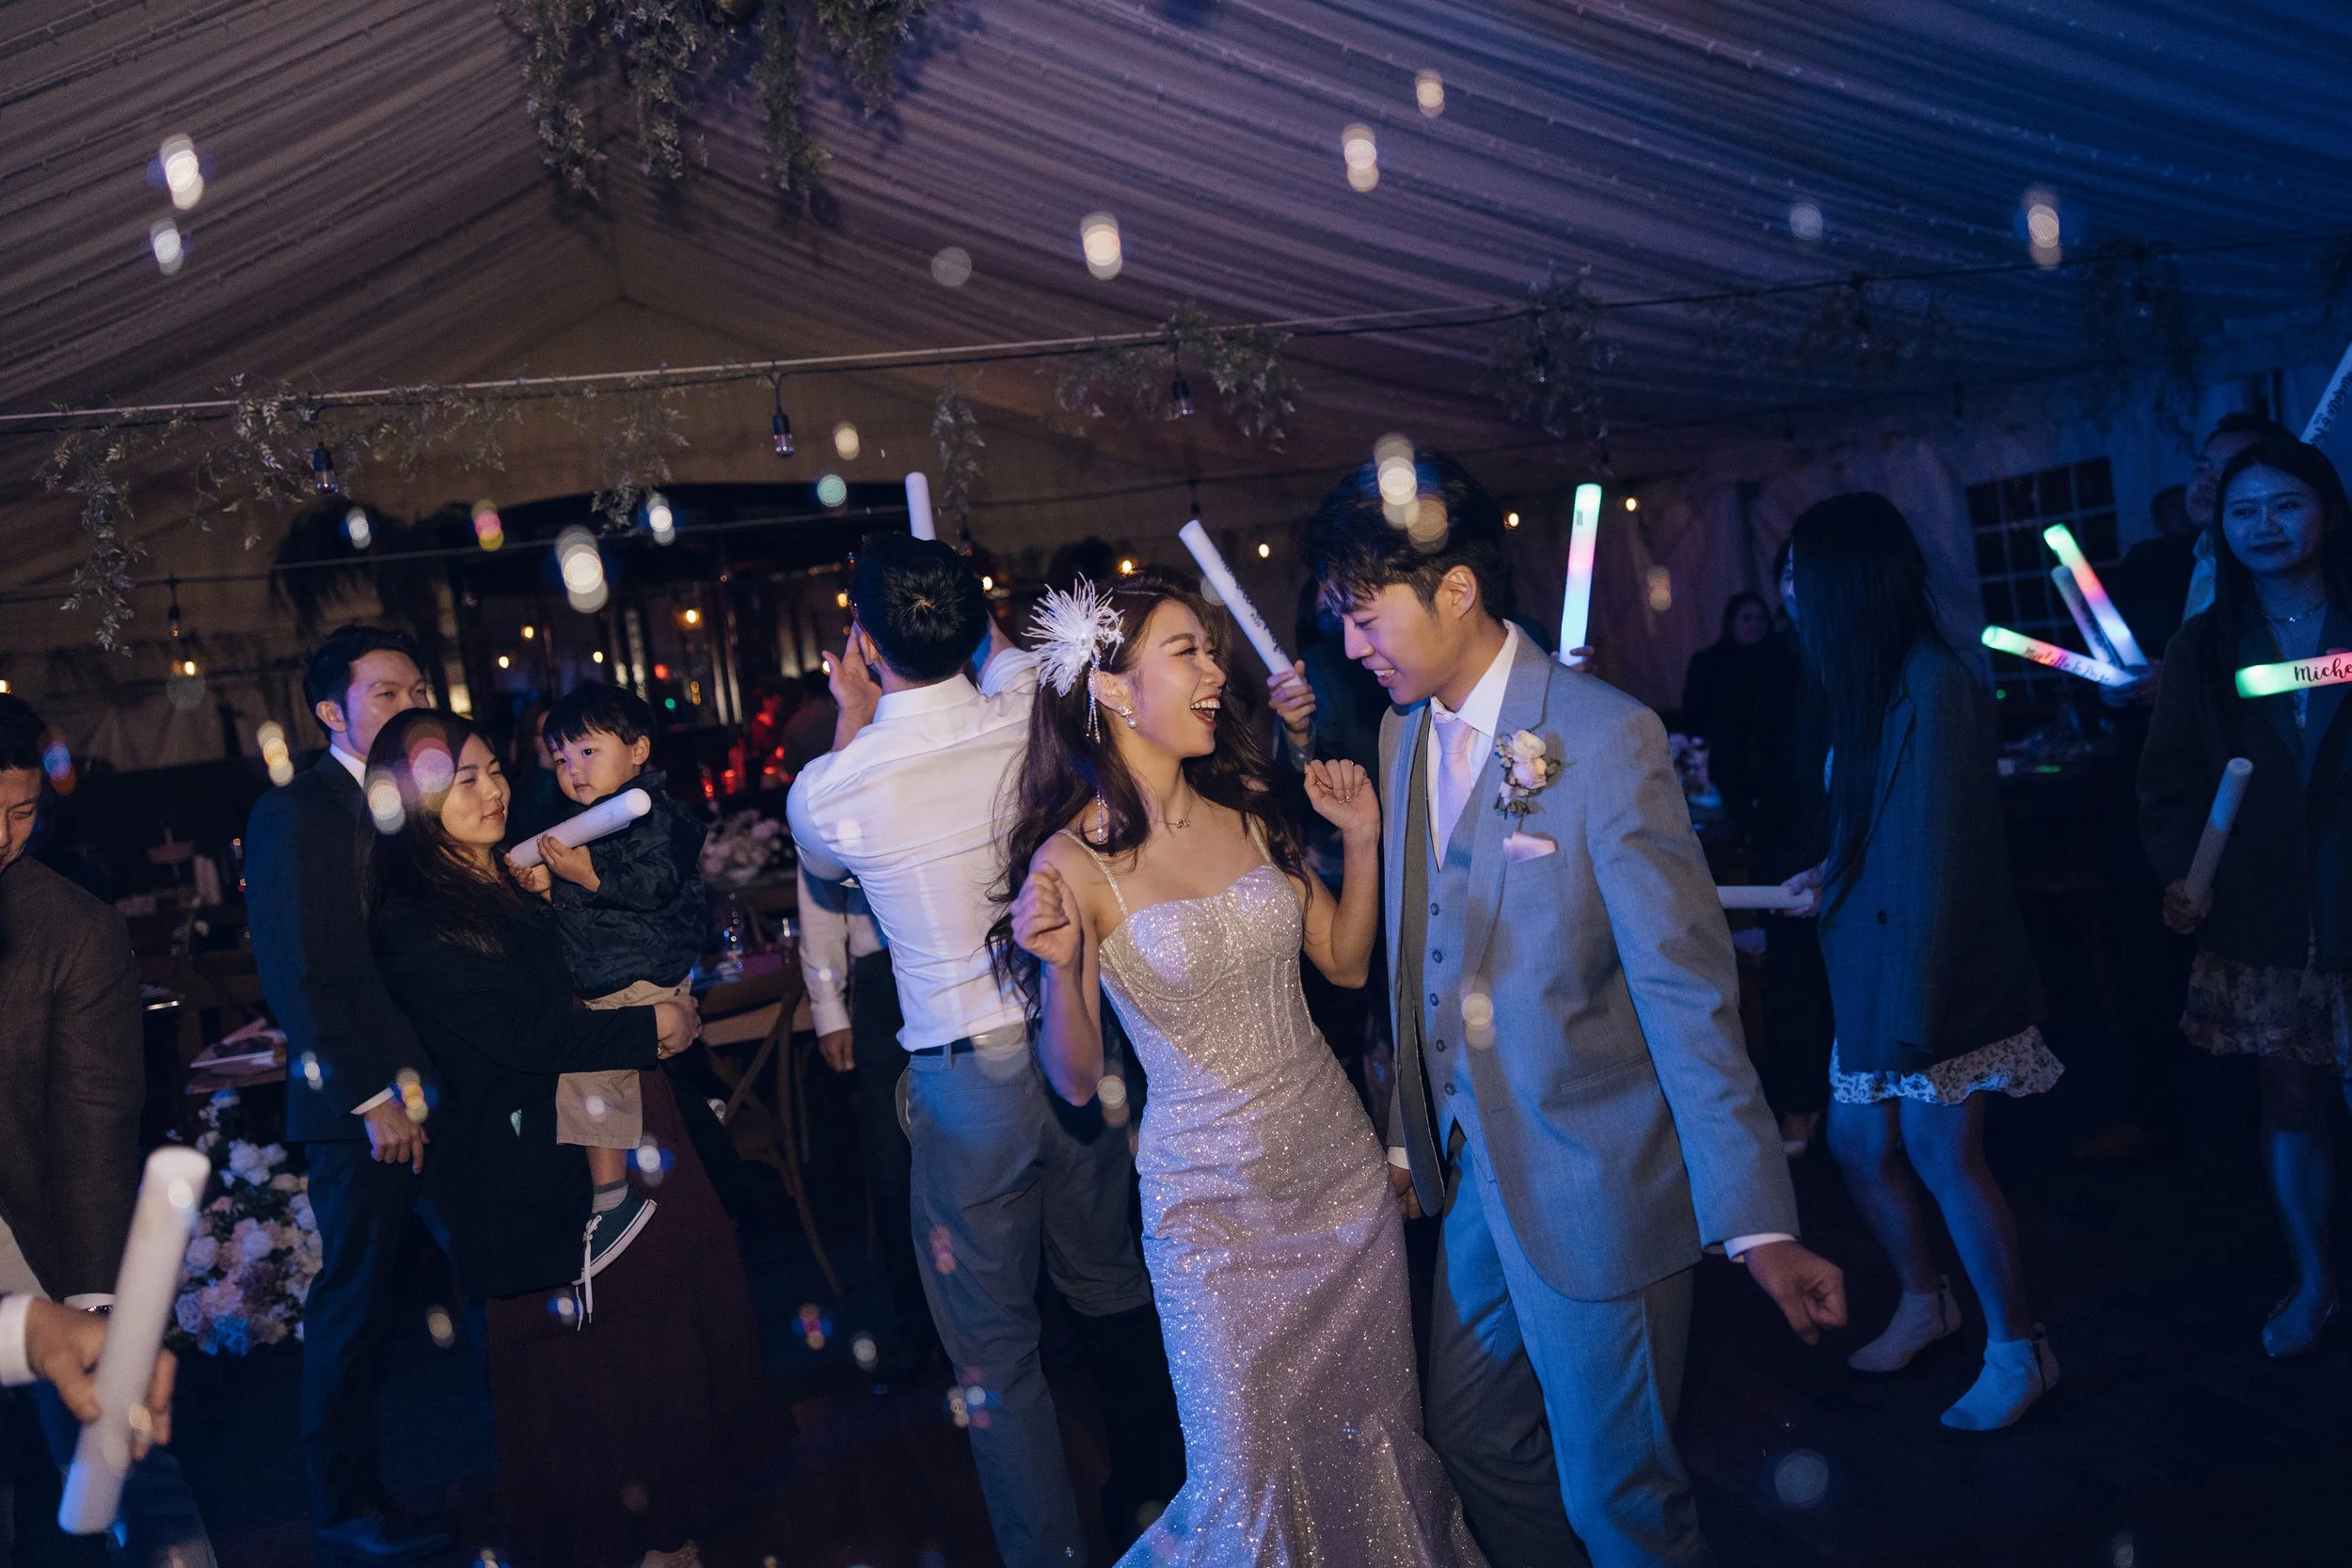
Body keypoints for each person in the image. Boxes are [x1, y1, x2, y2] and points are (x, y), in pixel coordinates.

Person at [1306, 449, 1843, 1568]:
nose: (1352, 649)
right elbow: (1417, 961)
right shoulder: (1405, 733)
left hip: (1599, 1180)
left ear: (1454, 589)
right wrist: (1410, 1124)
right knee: (1470, 1437)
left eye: (1365, 619)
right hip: (1470, 1182)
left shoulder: (1604, 737)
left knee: (1621, 1497)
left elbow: (1687, 992)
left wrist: (1760, 1221)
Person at [1001, 573, 1484, 1566]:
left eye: (1213, 651)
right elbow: (1079, 1080)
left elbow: (1344, 962)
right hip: (1211, 1214)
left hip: (1339, 1182)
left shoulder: (1248, 808)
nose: (1218, 671)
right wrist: (1060, 975)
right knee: (1251, 1473)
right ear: (1113, 688)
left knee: (1372, 1446)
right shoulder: (1070, 864)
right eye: (1189, 650)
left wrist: (1359, 838)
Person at [787, 533, 1183, 1564]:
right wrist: (981, 629)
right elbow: (1010, 659)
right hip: (1079, 1045)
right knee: (1114, 1287)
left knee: (996, 1359)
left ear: (864, 643)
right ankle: (1157, 1507)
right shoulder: (1031, 718)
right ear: (973, 627)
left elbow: (826, 863)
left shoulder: (831, 789)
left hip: (964, 1089)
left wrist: (855, 713)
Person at [366, 709, 773, 1568]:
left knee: (674, 1332)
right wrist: (647, 1027)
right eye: (463, 779)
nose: (493, 788)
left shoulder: (510, 875)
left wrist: (660, 1000)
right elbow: (527, 1038)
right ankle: (647, 1536)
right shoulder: (415, 919)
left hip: (622, 1112)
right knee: (606, 1372)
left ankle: (678, 1529)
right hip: (540, 1162)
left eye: (492, 769)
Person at [1776, 493, 2063, 1431]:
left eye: (1797, 576)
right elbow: (1883, 836)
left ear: (1846, 582)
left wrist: (1913, 1022)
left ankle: (2018, 1349)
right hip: (1872, 973)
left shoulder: (1934, 684)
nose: (1784, 592)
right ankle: (1922, 1298)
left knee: (1946, 1155)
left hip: (1932, 980)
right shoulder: (1862, 682)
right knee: (1858, 1147)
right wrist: (1833, 870)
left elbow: (1940, 865)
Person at [2139, 436, 2352, 1358]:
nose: (2264, 526)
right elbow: (2170, 783)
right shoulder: (2203, 644)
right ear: (2218, 527)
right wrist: (2184, 875)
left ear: (2326, 512)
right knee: (2291, 1096)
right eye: (2242, 510)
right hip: (2262, 911)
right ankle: (2314, 1279)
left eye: (2284, 505)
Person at [243, 626, 452, 1562]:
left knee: (489, 1268)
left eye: (415, 684)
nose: (408, 700)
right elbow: (303, 973)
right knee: (356, 1307)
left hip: (445, 1083)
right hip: (365, 1106)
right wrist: (375, 1098)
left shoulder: (418, 793)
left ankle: (541, 1449)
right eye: (383, 691)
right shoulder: (298, 810)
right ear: (331, 711)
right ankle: (343, 1501)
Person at [0, 695, 212, 1568]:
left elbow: (91, 1138)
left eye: (16, 813)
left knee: (117, 1470)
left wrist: (97, 1324)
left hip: (31, 1238)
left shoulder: (69, 931)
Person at [522, 683, 709, 1276]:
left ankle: (611, 1198)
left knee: (588, 1069)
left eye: (586, 751)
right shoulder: (581, 825)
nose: (573, 769)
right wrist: (551, 890)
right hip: (609, 975)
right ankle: (702, 1103)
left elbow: (654, 885)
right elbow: (582, 920)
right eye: (560, 758)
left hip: (642, 972)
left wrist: (589, 875)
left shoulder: (658, 815)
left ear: (638, 750)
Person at [796, 867, 939, 1384]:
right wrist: (829, 1007)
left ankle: (1020, 1309)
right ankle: (916, 1322)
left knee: (985, 1146)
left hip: (956, 953)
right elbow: (817, 890)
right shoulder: (831, 788)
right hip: (880, 973)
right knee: (892, 1163)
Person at [1678, 592, 1783, 843]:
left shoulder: (1779, 664)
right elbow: (1694, 715)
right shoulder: (1709, 664)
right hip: (1722, 767)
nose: (1756, 625)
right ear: (1731, 623)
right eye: (1746, 619)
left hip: (1769, 766)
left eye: (1761, 619)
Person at [2181, 412, 2296, 626]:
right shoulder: (2149, 561)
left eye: (2230, 469)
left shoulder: (2290, 568)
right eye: (2202, 467)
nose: (2206, 481)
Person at [504, 699, 567, 847]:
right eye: (547, 733)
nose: (560, 739)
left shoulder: (579, 776)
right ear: (533, 740)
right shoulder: (521, 792)